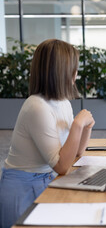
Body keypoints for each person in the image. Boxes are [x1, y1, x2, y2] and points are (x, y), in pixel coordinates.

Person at [0, 39, 95, 228]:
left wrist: (87, 128)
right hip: (23, 188)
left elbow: (75, 154)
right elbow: (62, 166)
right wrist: (77, 125)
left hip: (48, 178)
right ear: (61, 71)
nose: (76, 73)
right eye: (73, 68)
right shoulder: (37, 107)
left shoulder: (63, 103)